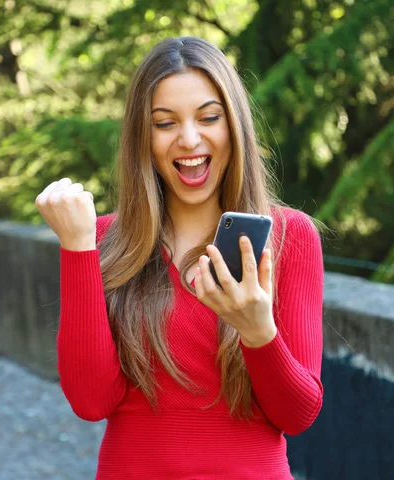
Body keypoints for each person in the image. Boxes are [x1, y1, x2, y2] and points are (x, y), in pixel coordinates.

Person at [35, 36, 324, 480]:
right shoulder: (101, 239)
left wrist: (257, 331)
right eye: (165, 123)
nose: (189, 139)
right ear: (143, 138)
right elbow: (91, 402)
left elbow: (298, 415)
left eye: (209, 117)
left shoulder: (291, 237)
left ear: (235, 125)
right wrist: (76, 248)